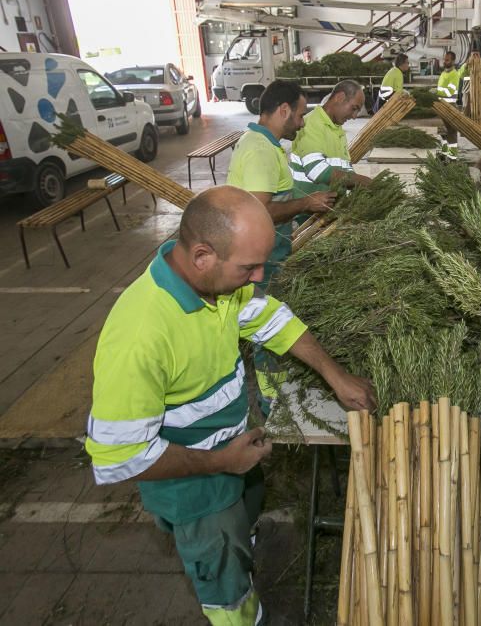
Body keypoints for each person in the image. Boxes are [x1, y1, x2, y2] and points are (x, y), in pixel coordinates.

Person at [86, 186, 375, 626]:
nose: (258, 277)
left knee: (244, 524)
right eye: (249, 267)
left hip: (233, 454)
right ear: (203, 255)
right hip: (195, 489)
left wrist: (335, 375)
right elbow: (120, 457)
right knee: (225, 583)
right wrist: (223, 461)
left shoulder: (218, 287)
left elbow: (271, 319)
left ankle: (242, 550)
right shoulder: (140, 336)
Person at [226, 80, 335, 289]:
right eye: (301, 115)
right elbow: (259, 212)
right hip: (259, 265)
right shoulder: (260, 150)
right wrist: (306, 203)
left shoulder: (263, 143)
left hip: (268, 257)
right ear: (284, 110)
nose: (302, 123)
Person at [290, 79, 372, 201]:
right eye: (354, 108)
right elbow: (317, 171)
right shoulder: (310, 124)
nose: (354, 116)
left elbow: (345, 169)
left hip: (329, 207)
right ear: (339, 97)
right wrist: (363, 181)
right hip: (307, 211)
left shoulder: (337, 129)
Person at [436, 50, 461, 157]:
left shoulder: (454, 74)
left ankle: (453, 155)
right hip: (441, 105)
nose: (444, 62)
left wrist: (436, 92)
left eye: (447, 60)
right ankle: (444, 152)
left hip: (450, 106)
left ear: (453, 61)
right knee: (443, 130)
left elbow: (449, 91)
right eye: (444, 59)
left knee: (451, 130)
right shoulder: (443, 73)